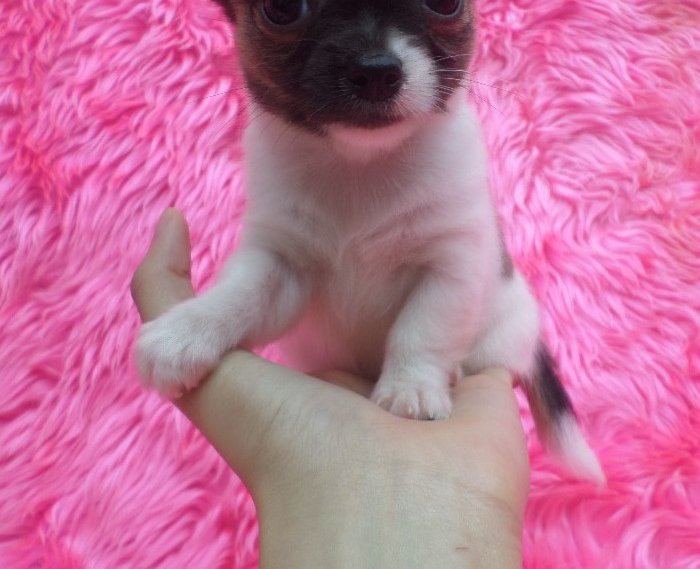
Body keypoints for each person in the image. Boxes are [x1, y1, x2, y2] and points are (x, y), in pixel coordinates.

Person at [131, 209, 529, 568]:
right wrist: (214, 320)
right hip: (342, 374)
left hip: (455, 354)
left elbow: (460, 262)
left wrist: (423, 364)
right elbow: (279, 267)